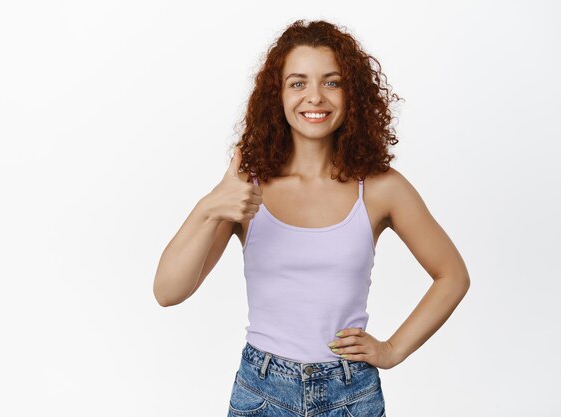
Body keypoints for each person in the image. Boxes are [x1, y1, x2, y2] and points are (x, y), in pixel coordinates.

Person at [153, 19, 470, 417]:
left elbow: (453, 275)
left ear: (351, 93)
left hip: (350, 394)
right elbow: (168, 292)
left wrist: (392, 350)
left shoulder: (380, 188)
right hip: (262, 391)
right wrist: (210, 206)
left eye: (331, 82)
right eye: (298, 83)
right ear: (278, 95)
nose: (315, 97)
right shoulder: (246, 189)